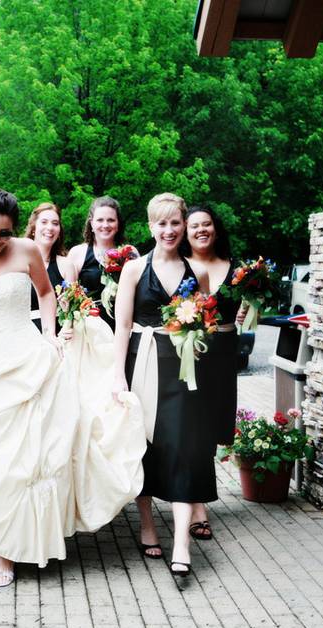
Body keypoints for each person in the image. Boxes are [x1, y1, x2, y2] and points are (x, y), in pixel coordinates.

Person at [0, 188, 144, 589]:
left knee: (21, 459)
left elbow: (47, 293)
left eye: (3, 233)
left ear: (14, 229)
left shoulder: (28, 251)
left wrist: (50, 335)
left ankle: (8, 551)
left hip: (24, 360)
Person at [111, 193, 216, 577]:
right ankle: (148, 525)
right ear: (151, 226)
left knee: (184, 448)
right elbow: (122, 326)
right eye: (162, 223)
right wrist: (117, 375)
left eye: (176, 223)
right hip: (142, 361)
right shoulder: (134, 270)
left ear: (184, 225)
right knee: (145, 445)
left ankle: (183, 544)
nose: (169, 230)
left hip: (183, 370)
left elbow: (203, 325)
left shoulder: (198, 272)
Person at [182, 204, 244, 542]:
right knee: (196, 429)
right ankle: (198, 505)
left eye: (206, 224)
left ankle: (196, 495)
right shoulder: (180, 268)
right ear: (186, 233)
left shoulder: (235, 269)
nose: (201, 230)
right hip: (192, 354)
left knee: (213, 428)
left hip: (224, 352)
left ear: (216, 229)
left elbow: (247, 308)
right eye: (194, 226)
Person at [67, 196, 129, 331]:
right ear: (91, 223)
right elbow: (69, 299)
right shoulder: (77, 253)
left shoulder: (129, 253)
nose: (105, 225)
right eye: (100, 220)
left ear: (118, 224)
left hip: (122, 327)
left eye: (111, 220)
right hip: (88, 328)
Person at [24, 202, 78, 331]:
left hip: (57, 335)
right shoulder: (19, 263)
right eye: (44, 222)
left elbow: (70, 311)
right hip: (24, 334)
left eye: (55, 223)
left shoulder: (66, 266)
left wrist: (66, 329)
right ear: (33, 228)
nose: (50, 227)